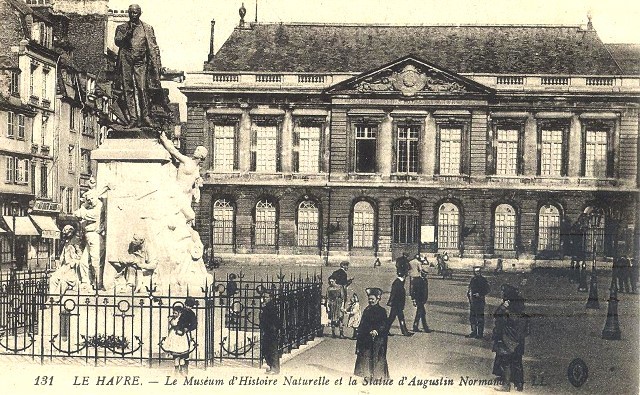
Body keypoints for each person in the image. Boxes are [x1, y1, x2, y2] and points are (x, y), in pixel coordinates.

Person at [114, 4, 163, 127]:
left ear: (140, 13)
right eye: (130, 12)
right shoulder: (122, 27)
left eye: (135, 12)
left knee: (142, 88)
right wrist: (127, 34)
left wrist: (158, 64)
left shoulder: (147, 28)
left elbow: (154, 47)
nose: (132, 15)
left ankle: (146, 116)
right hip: (126, 60)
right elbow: (118, 41)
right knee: (127, 89)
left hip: (141, 61)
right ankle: (133, 118)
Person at [159, 131, 208, 221]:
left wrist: (197, 187)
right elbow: (174, 151)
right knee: (190, 216)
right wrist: (164, 140)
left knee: (188, 217)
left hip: (186, 196)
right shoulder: (186, 160)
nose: (195, 151)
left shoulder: (197, 168)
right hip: (178, 192)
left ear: (201, 155)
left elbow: (194, 183)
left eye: (197, 150)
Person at [492, 284, 528, 392]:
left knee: (506, 362)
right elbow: (527, 332)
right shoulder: (524, 316)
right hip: (519, 342)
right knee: (517, 362)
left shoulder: (507, 314)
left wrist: (503, 307)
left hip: (507, 341)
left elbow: (497, 317)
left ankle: (506, 385)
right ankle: (519, 384)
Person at [354, 287, 389, 379]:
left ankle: (378, 377)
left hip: (378, 339)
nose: (371, 301)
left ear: (378, 299)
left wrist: (377, 330)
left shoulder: (382, 311)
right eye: (369, 299)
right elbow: (363, 324)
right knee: (367, 356)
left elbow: (384, 324)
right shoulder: (367, 310)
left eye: (373, 299)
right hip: (367, 338)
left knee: (378, 357)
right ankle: (368, 375)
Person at [74, 192, 103, 290]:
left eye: (91, 199)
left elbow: (80, 213)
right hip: (89, 237)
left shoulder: (99, 208)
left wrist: (83, 204)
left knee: (96, 262)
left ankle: (98, 283)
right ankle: (86, 281)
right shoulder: (92, 207)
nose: (90, 201)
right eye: (88, 200)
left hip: (95, 237)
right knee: (83, 262)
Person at [164, 297, 197, 375]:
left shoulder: (192, 314)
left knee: (184, 353)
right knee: (177, 353)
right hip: (177, 332)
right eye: (188, 305)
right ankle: (177, 369)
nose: (189, 307)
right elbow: (175, 320)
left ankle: (184, 369)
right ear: (185, 304)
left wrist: (188, 328)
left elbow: (194, 324)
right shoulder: (181, 311)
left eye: (191, 306)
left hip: (184, 334)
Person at [49, 225, 82, 295]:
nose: (66, 234)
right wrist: (59, 264)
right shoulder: (66, 243)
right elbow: (62, 256)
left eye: (68, 232)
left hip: (72, 268)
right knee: (53, 279)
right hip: (64, 267)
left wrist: (73, 263)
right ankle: (51, 298)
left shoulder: (76, 241)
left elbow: (80, 256)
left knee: (63, 281)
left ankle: (54, 300)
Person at [260, 290, 282, 374]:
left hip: (271, 330)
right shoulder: (267, 306)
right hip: (267, 330)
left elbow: (273, 319)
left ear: (270, 298)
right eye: (264, 297)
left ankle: (275, 368)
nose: (264, 298)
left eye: (266, 297)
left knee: (272, 349)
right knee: (267, 349)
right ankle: (271, 366)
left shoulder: (271, 306)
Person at [387, 271, 414, 336]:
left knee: (395, 318)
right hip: (396, 304)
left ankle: (404, 331)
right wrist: (390, 301)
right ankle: (404, 332)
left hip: (398, 304)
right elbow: (393, 293)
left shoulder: (399, 281)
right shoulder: (397, 282)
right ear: (404, 276)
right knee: (393, 318)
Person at [466, 265, 490, 339]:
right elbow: (470, 288)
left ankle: (480, 334)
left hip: (480, 301)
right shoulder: (473, 279)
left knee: (479, 317)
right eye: (476, 272)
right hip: (473, 301)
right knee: (472, 317)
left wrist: (480, 294)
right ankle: (473, 332)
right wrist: (468, 293)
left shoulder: (483, 280)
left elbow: (487, 289)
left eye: (479, 271)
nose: (477, 273)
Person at [411, 266, 432, 333]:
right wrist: (413, 299)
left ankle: (417, 326)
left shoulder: (425, 280)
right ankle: (424, 328)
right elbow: (413, 290)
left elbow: (426, 290)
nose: (425, 274)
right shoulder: (417, 280)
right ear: (421, 273)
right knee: (421, 313)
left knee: (421, 313)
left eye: (426, 273)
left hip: (423, 299)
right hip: (418, 299)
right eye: (424, 273)